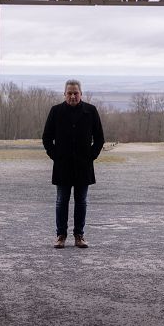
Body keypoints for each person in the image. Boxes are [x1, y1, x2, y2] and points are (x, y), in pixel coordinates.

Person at [42, 79, 105, 249]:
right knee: (61, 201)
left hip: (83, 166)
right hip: (62, 165)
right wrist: (55, 156)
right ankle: (60, 236)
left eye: (75, 93)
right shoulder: (56, 111)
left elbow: (99, 138)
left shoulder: (90, 111)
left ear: (81, 94)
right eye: (69, 93)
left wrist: (91, 156)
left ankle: (79, 235)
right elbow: (46, 138)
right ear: (64, 94)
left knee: (81, 201)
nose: (72, 96)